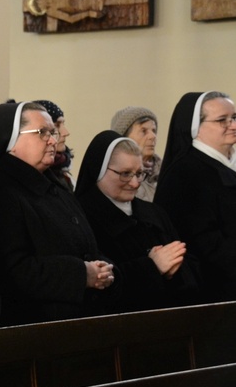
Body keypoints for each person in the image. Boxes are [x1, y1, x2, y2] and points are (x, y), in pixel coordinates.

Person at [0, 101, 118, 326]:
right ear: (12, 138)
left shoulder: (53, 184)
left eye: (52, 132)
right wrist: (80, 274)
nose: (53, 140)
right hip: (34, 325)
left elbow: (84, 243)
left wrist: (102, 267)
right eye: (42, 133)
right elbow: (9, 270)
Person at [75, 131, 201, 312]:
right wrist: (152, 267)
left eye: (140, 173)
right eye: (125, 174)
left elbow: (192, 265)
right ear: (99, 170)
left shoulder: (154, 213)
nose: (135, 183)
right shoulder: (81, 217)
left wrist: (176, 267)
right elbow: (100, 285)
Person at [155, 91, 236, 302]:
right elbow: (202, 242)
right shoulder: (185, 173)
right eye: (222, 120)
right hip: (212, 294)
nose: (233, 125)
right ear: (195, 126)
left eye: (234, 118)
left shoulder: (229, 165)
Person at [110, 106, 161, 202]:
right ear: (124, 137)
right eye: (143, 131)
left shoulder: (166, 175)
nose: (153, 136)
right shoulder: (115, 180)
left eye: (154, 130)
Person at [33, 99, 74, 191]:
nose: (65, 132)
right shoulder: (37, 174)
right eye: (57, 126)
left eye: (63, 124)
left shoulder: (64, 173)